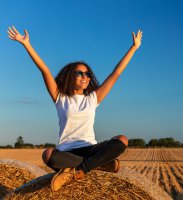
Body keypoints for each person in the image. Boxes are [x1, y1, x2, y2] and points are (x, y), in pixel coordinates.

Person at [8, 26, 142, 191]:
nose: (85, 77)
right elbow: (44, 70)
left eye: (87, 74)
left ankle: (80, 171)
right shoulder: (60, 97)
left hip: (91, 149)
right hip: (67, 153)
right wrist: (26, 44)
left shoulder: (93, 98)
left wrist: (133, 48)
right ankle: (99, 165)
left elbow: (116, 74)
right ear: (70, 76)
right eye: (80, 73)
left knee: (122, 140)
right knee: (48, 154)